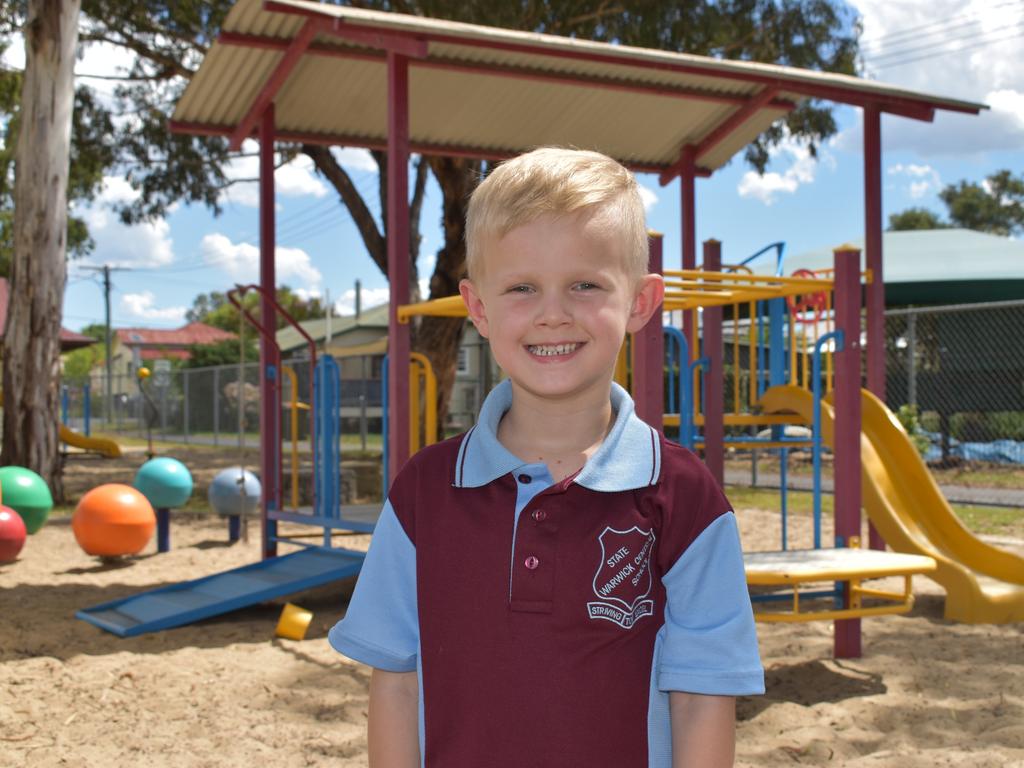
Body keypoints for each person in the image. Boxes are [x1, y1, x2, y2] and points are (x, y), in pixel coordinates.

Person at [329, 147, 764, 767]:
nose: (553, 313)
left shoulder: (685, 498)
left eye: (585, 284)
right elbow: (397, 681)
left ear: (641, 302)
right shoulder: (422, 494)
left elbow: (702, 696)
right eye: (522, 287)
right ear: (478, 307)